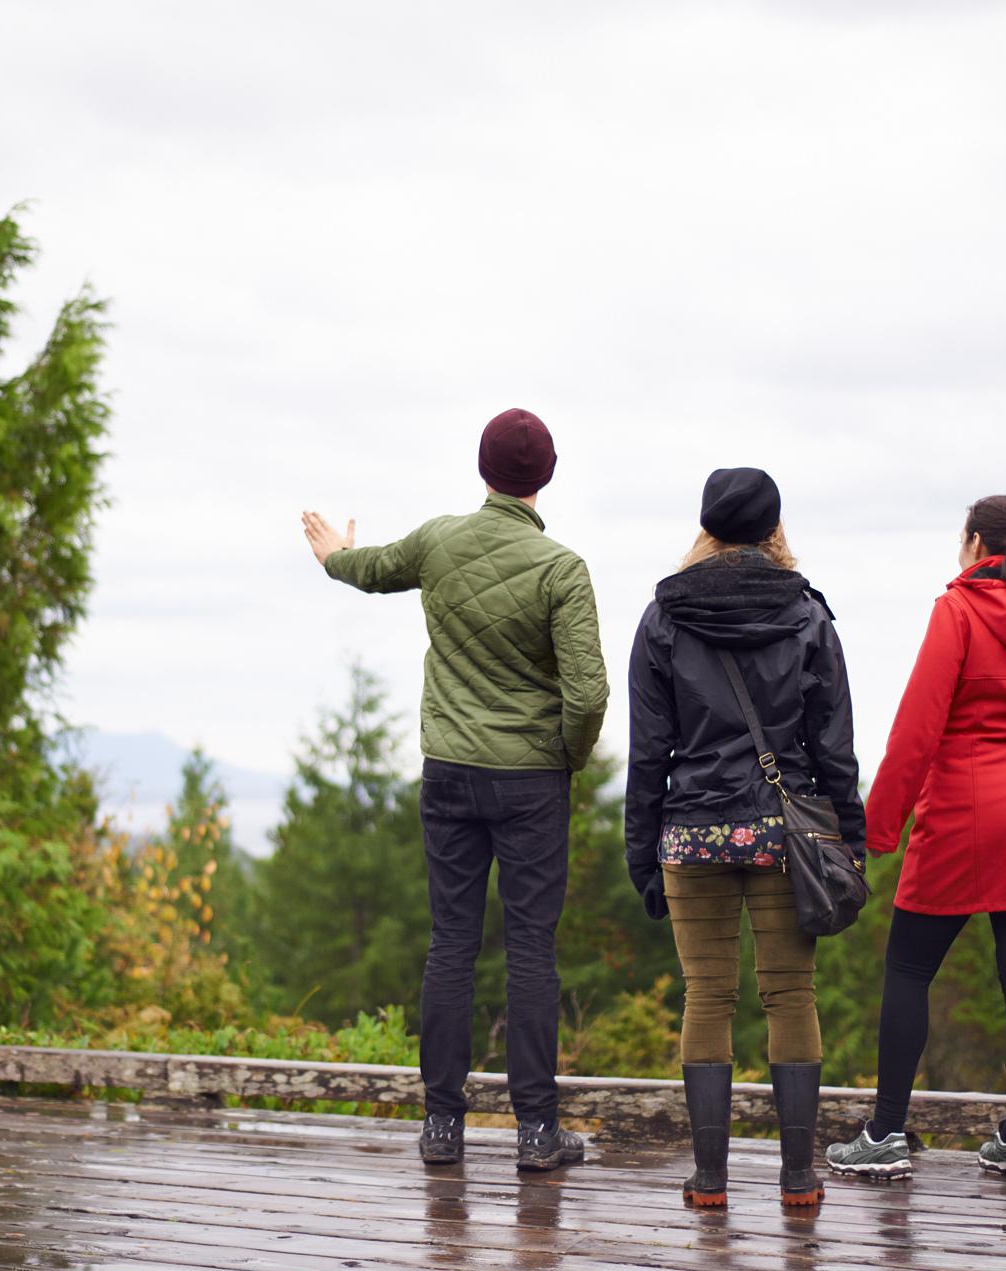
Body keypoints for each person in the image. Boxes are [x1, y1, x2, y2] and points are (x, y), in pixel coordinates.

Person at [300, 408, 609, 1173]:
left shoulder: (439, 540)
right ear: (545, 477)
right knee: (531, 950)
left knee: (451, 946)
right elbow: (589, 694)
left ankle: (442, 1127)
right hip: (532, 782)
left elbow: (370, 572)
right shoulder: (560, 570)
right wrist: (565, 759)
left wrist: (334, 555)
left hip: (450, 775)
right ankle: (538, 1133)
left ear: (483, 470)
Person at [825, 494, 1006, 1184]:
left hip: (962, 813)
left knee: (909, 969)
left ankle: (884, 1134)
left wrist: (875, 827)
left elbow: (917, 729)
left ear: (976, 544)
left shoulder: (958, 612)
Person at [625, 467, 865, 1208]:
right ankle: (797, 1182)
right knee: (791, 995)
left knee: (708, 997)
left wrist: (642, 853)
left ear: (707, 526)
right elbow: (833, 744)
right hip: (784, 838)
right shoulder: (807, 615)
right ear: (773, 528)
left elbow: (647, 755)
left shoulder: (663, 617)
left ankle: (710, 1182)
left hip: (691, 834)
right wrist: (849, 840)